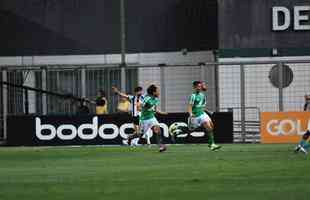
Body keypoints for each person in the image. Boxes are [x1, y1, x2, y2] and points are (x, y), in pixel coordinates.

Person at [188, 81, 221, 151]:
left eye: (200, 86)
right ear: (194, 87)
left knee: (211, 126)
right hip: (197, 115)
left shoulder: (202, 95)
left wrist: (208, 111)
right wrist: (190, 114)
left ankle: (210, 143)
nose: (199, 88)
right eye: (197, 86)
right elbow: (190, 106)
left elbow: (201, 106)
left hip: (203, 113)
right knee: (208, 127)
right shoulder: (193, 96)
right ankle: (212, 144)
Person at [140, 84, 168, 152]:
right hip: (144, 119)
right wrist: (145, 107)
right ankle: (129, 137)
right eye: (157, 91)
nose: (159, 92)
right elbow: (139, 106)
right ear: (153, 92)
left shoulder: (156, 99)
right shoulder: (147, 99)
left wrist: (161, 112)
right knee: (139, 134)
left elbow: (154, 109)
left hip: (152, 117)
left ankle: (161, 146)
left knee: (158, 130)